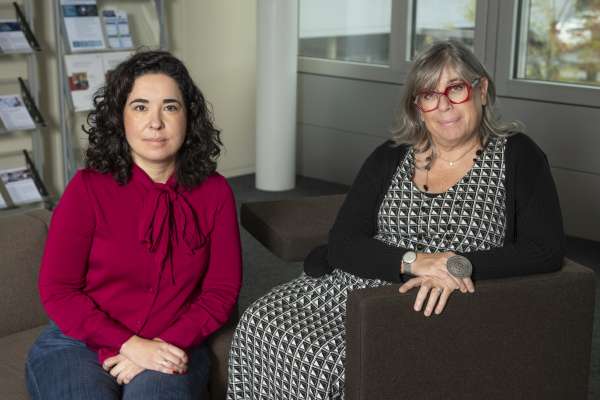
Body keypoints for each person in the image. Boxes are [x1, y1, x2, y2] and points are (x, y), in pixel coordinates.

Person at [226, 40, 564, 400]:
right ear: (418, 108)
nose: (444, 105)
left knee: (324, 361)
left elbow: (544, 250)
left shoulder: (518, 155)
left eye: (455, 89)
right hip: (349, 286)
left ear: (481, 90)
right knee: (259, 321)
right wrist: (414, 261)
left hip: (421, 303)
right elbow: (342, 243)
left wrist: (458, 265)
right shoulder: (390, 156)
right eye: (429, 95)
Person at [26, 51, 242, 399]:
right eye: (140, 107)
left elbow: (221, 291)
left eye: (170, 107)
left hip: (171, 344)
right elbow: (58, 290)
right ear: (120, 117)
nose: (155, 122)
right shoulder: (87, 188)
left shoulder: (215, 193)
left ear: (189, 117)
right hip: (78, 342)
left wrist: (161, 346)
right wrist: (130, 345)